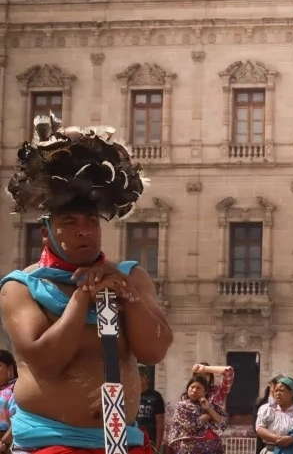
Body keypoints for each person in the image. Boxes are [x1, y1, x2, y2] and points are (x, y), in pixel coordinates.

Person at [0, 115, 174, 453]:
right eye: (70, 222)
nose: (84, 231)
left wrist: (127, 295)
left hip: (122, 441)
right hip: (50, 441)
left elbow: (155, 351)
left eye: (91, 221)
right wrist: (83, 297)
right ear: (46, 234)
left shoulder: (132, 277)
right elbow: (46, 363)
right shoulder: (21, 288)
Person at [167, 376, 228, 454]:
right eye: (192, 387)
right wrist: (209, 415)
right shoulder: (182, 407)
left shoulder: (212, 406)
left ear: (205, 391)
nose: (194, 390)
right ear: (188, 389)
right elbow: (192, 426)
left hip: (214, 449)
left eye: (198, 388)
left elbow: (223, 423)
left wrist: (209, 408)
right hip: (191, 450)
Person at [254, 377, 293, 454]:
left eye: (282, 390)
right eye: (276, 391)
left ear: (292, 393)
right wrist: (277, 438)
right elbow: (260, 428)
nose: (278, 393)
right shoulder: (268, 409)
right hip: (271, 451)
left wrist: (291, 439)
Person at [254, 372, 286, 454]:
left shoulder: (286, 404)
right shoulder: (260, 404)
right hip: (265, 447)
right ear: (270, 385)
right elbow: (256, 427)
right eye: (276, 384)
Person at [137, 365, 166, 450]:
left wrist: (157, 448)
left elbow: (160, 424)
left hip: (149, 441)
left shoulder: (155, 396)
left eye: (138, 375)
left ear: (145, 378)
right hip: (132, 441)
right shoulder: (129, 396)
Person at [0, 350, 17, 453]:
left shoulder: (16, 388)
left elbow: (20, 419)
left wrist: (4, 441)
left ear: (10, 368)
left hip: (8, 439)